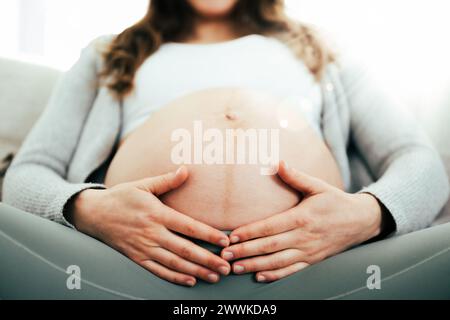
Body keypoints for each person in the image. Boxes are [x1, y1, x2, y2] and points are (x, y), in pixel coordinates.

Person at [2, 0, 450, 298]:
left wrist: (365, 216)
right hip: (127, 272)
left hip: (318, 274)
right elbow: (29, 174)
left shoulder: (326, 50)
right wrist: (88, 209)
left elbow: (420, 162)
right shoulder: (108, 54)